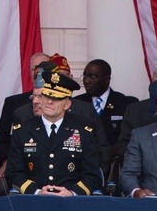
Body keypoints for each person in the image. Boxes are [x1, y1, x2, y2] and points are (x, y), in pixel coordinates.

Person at [6, 65, 102, 195]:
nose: (49, 102)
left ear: (67, 104)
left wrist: (72, 193)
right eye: (46, 96)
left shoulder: (83, 132)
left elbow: (92, 175)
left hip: (71, 204)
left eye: (56, 98)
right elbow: (14, 173)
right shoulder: (22, 131)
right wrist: (36, 192)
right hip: (34, 203)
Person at [73, 60, 136, 154]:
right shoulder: (76, 103)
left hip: (113, 160)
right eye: (85, 76)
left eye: (92, 76)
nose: (86, 81)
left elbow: (128, 139)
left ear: (107, 79)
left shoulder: (125, 103)